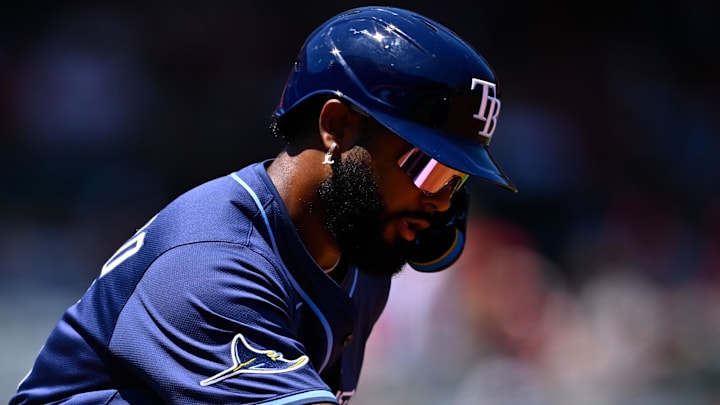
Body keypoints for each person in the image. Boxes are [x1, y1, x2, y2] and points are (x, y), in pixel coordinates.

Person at [10, 6, 516, 405]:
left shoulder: (362, 248)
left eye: (457, 180)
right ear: (337, 127)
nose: (440, 202)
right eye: (428, 169)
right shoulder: (211, 263)